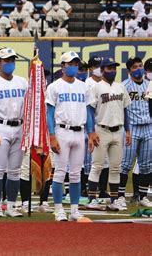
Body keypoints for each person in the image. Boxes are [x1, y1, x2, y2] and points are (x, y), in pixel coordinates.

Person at [46, 51, 95, 221]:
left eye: (76, 64)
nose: (73, 67)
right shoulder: (54, 86)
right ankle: (59, 209)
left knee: (76, 173)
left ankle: (74, 210)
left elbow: (89, 112)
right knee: (59, 172)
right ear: (62, 66)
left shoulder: (84, 87)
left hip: (79, 131)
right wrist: (52, 135)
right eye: (70, 64)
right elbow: (49, 113)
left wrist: (91, 132)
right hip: (62, 131)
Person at [0, 48, 28, 217]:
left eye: (12, 60)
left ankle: (10, 206)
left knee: (15, 171)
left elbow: (29, 106)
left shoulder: (22, 82)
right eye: (6, 60)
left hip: (19, 126)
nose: (10, 63)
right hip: (0, 126)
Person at [86, 58, 131, 211]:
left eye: (114, 68)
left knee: (115, 167)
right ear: (103, 69)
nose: (112, 71)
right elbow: (90, 111)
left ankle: (114, 199)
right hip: (101, 129)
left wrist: (128, 130)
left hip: (118, 130)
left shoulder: (120, 87)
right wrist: (91, 132)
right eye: (109, 68)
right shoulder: (96, 87)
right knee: (97, 166)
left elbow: (125, 110)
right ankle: (92, 199)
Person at [118, 57, 152, 208]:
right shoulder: (123, 86)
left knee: (146, 165)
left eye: (140, 66)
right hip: (131, 128)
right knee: (125, 164)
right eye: (134, 67)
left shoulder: (149, 85)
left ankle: (143, 197)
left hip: (148, 127)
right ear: (129, 70)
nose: (138, 69)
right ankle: (119, 196)